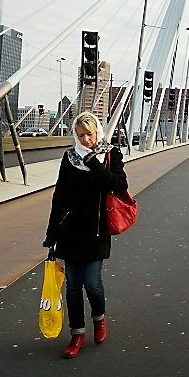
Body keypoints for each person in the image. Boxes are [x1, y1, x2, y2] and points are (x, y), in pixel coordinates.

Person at [43, 111, 128, 359]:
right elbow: (59, 196)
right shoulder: (69, 158)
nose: (85, 140)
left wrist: (93, 162)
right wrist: (52, 234)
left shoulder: (111, 155)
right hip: (70, 231)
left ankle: (99, 319)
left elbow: (119, 186)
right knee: (72, 287)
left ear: (97, 131)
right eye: (80, 136)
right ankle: (77, 334)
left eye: (89, 134)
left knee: (92, 282)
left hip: (96, 231)